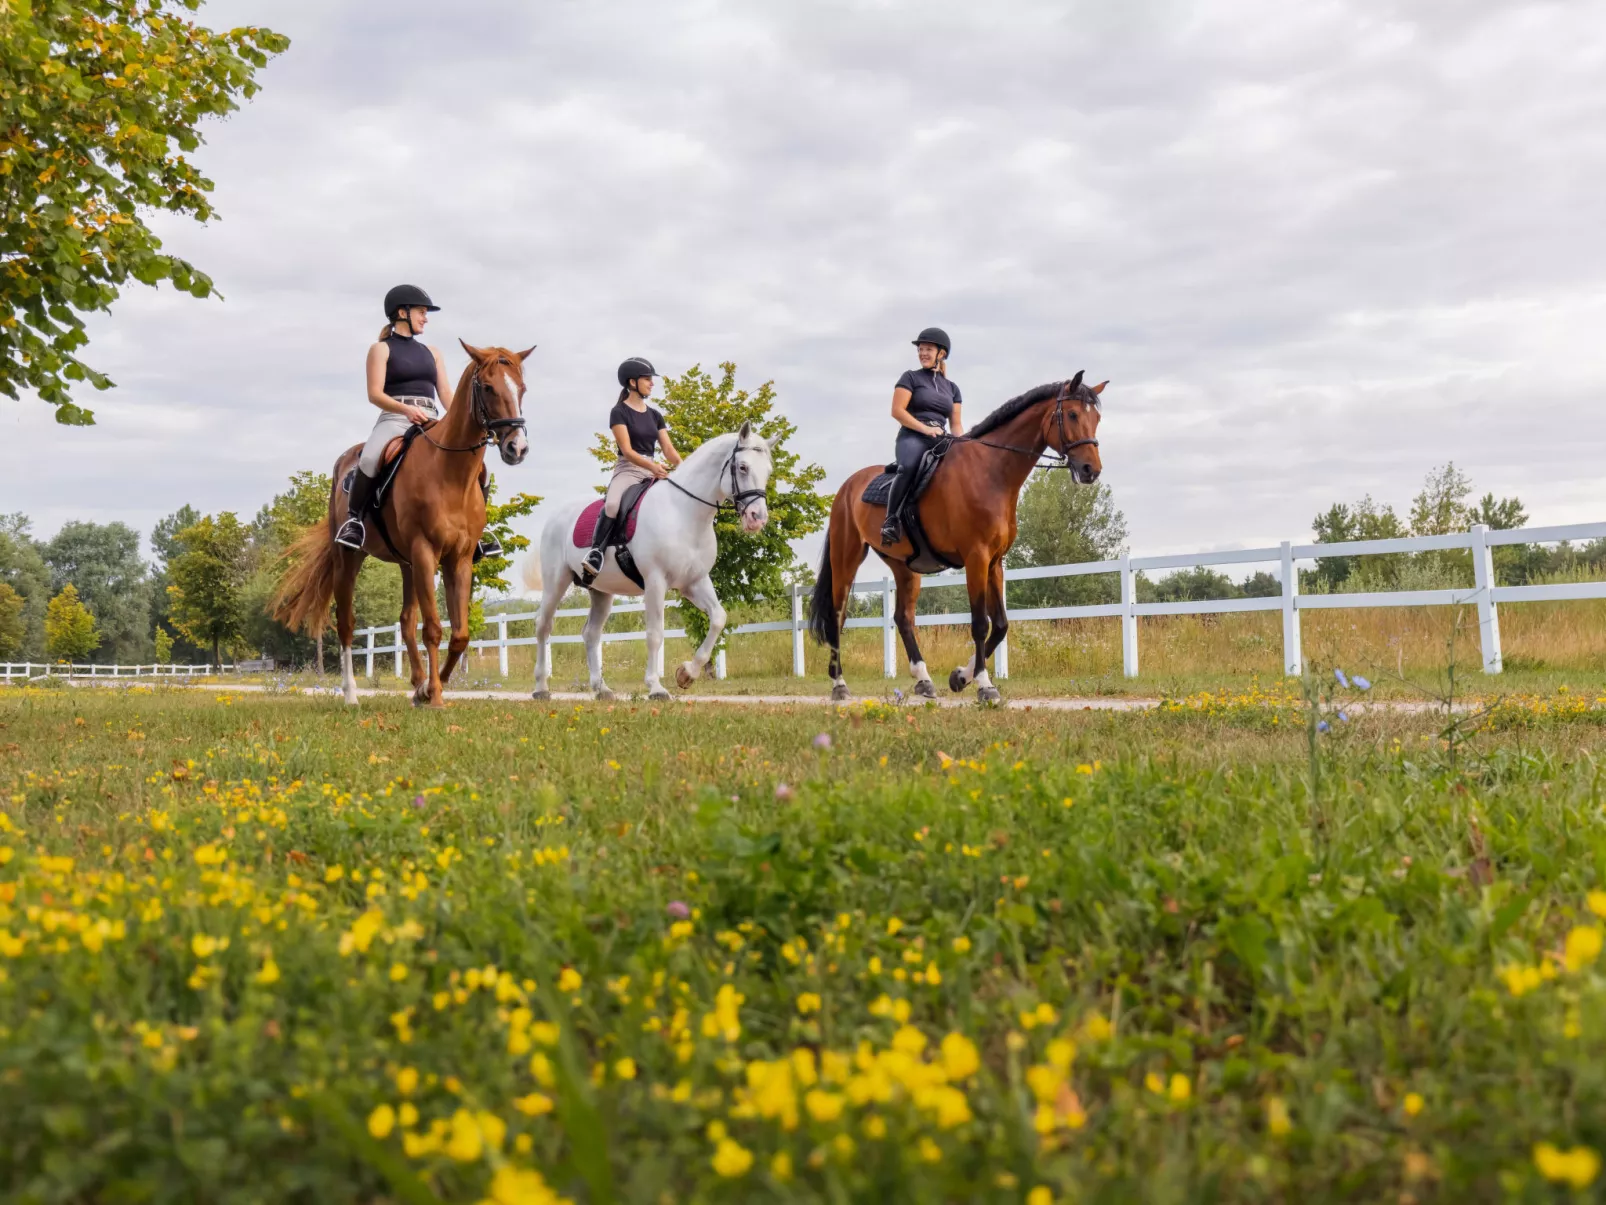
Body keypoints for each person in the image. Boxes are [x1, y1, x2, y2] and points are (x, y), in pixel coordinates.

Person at [335, 285, 500, 559]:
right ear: (402, 313)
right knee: (369, 458)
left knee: (480, 468)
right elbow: (374, 394)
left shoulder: (432, 352)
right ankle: (354, 522)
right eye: (421, 312)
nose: (426, 318)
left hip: (431, 419)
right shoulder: (380, 349)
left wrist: (463, 421)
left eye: (426, 313)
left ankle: (479, 531)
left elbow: (446, 393)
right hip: (395, 418)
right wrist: (406, 410)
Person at [580, 358, 683, 583]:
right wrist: (652, 466)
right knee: (613, 504)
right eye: (648, 379)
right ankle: (596, 552)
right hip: (629, 469)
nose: (652, 384)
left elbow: (668, 449)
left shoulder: (655, 415)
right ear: (632, 382)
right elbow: (626, 450)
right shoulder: (619, 412)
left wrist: (684, 469)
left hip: (654, 470)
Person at [882, 326, 964, 545]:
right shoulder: (910, 377)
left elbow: (956, 425)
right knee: (907, 467)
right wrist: (926, 429)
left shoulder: (953, 389)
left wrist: (965, 444)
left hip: (941, 439)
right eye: (920, 349)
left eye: (928, 349)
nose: (922, 353)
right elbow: (897, 411)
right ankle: (890, 521)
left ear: (941, 354)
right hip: (913, 436)